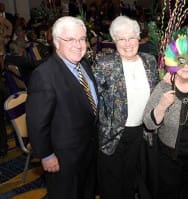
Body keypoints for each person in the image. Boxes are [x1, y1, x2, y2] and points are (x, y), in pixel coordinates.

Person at [26, 16, 98, 199]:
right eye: (71, 39)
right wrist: (46, 155)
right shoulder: (44, 75)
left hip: (88, 150)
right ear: (57, 42)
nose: (79, 44)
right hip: (64, 159)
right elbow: (36, 123)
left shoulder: (84, 65)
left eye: (82, 39)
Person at [93, 15, 159, 199]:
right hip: (114, 135)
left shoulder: (150, 61)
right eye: (121, 39)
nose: (127, 43)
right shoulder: (104, 64)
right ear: (114, 41)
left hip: (142, 133)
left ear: (139, 38)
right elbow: (93, 101)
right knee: (113, 186)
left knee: (132, 181)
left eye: (131, 38)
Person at [143, 36, 188, 199]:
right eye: (181, 60)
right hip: (169, 156)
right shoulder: (164, 86)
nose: (186, 66)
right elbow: (148, 123)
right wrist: (161, 106)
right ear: (173, 61)